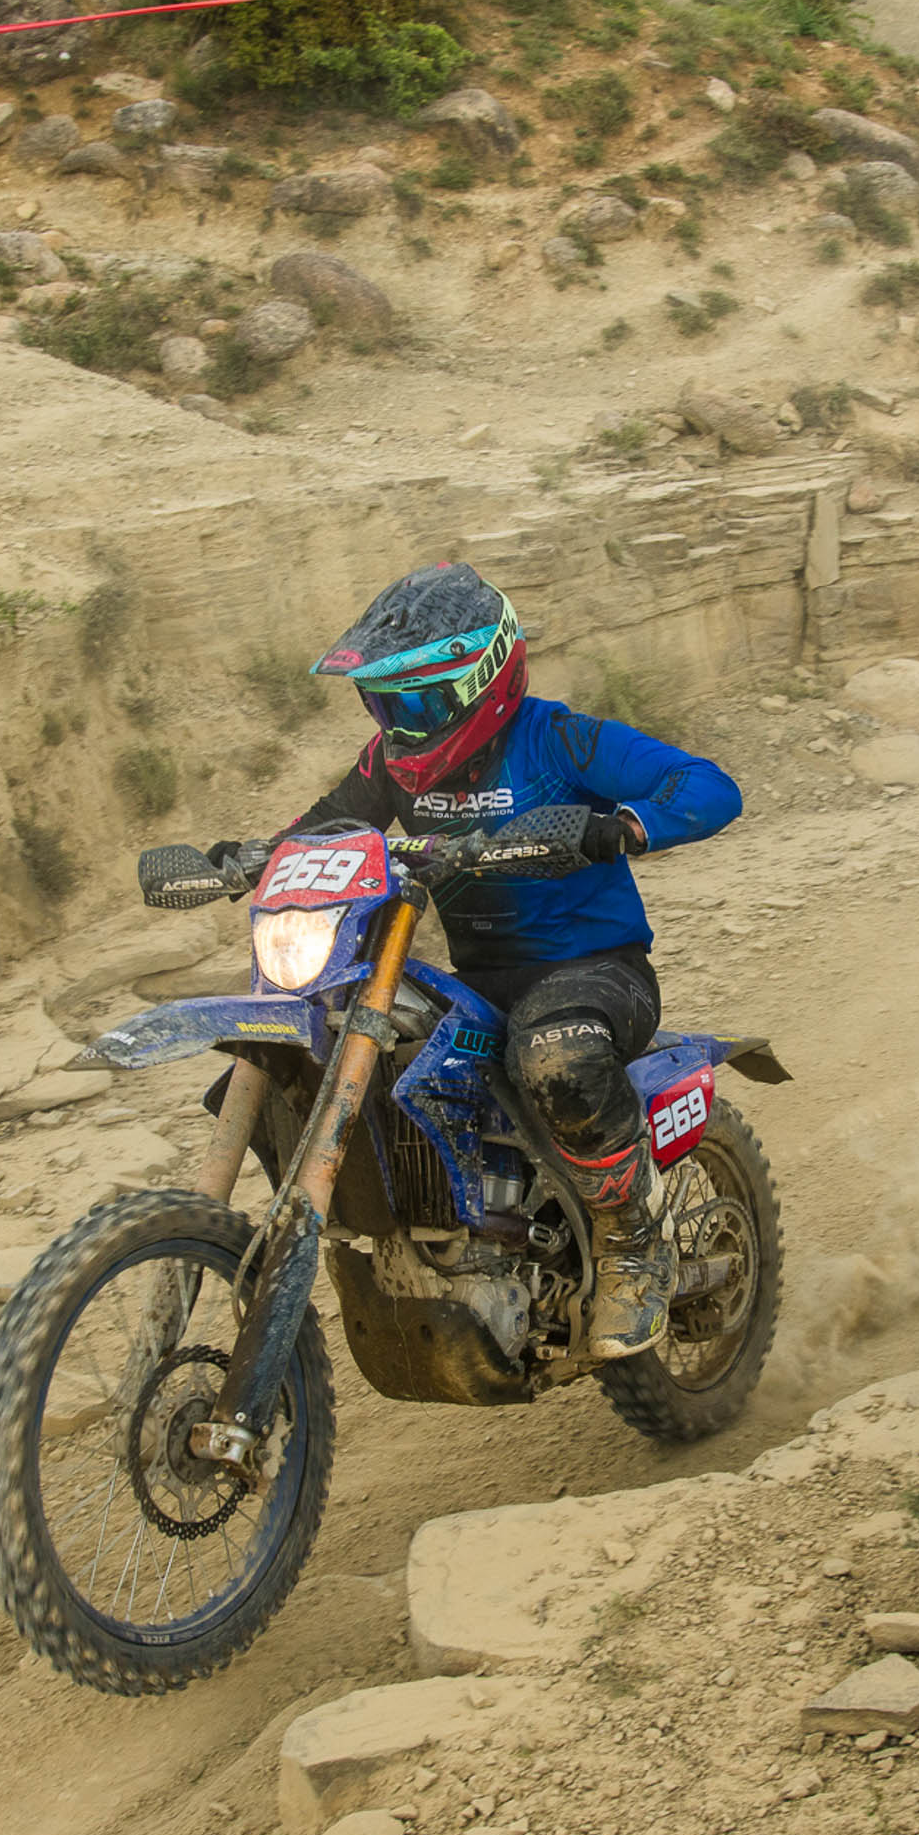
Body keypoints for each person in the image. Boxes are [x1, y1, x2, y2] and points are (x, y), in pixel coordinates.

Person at [240, 562, 742, 1359]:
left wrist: (620, 828)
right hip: (480, 980)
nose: (402, 726)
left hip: (595, 972)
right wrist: (250, 859)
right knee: (325, 1036)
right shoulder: (387, 764)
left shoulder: (557, 738)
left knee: (556, 1054)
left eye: (418, 703)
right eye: (386, 705)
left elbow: (708, 785)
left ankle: (632, 1243)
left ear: (483, 682)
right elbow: (328, 827)